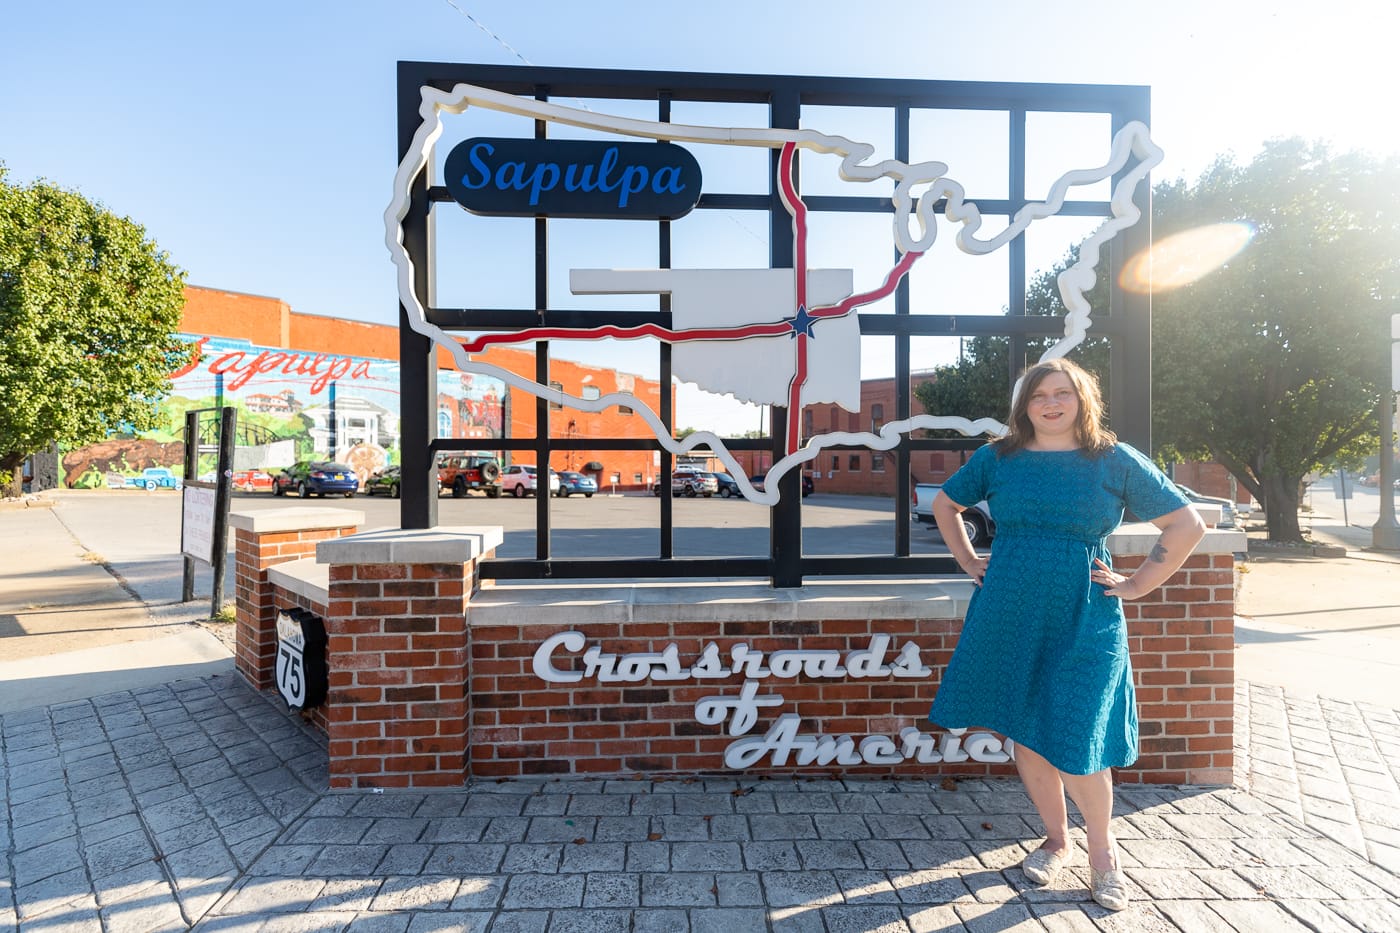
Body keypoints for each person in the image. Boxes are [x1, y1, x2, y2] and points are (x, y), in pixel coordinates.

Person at [928, 358, 1206, 912]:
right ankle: (1055, 842)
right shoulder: (997, 458)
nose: (1051, 404)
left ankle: (1104, 855)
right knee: (1027, 729)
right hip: (1010, 608)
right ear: (1023, 406)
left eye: (1063, 393)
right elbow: (946, 504)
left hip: (1086, 615)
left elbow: (1186, 524)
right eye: (1039, 396)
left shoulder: (1112, 458)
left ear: (1083, 400)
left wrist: (1139, 584)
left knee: (1080, 738)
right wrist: (967, 560)